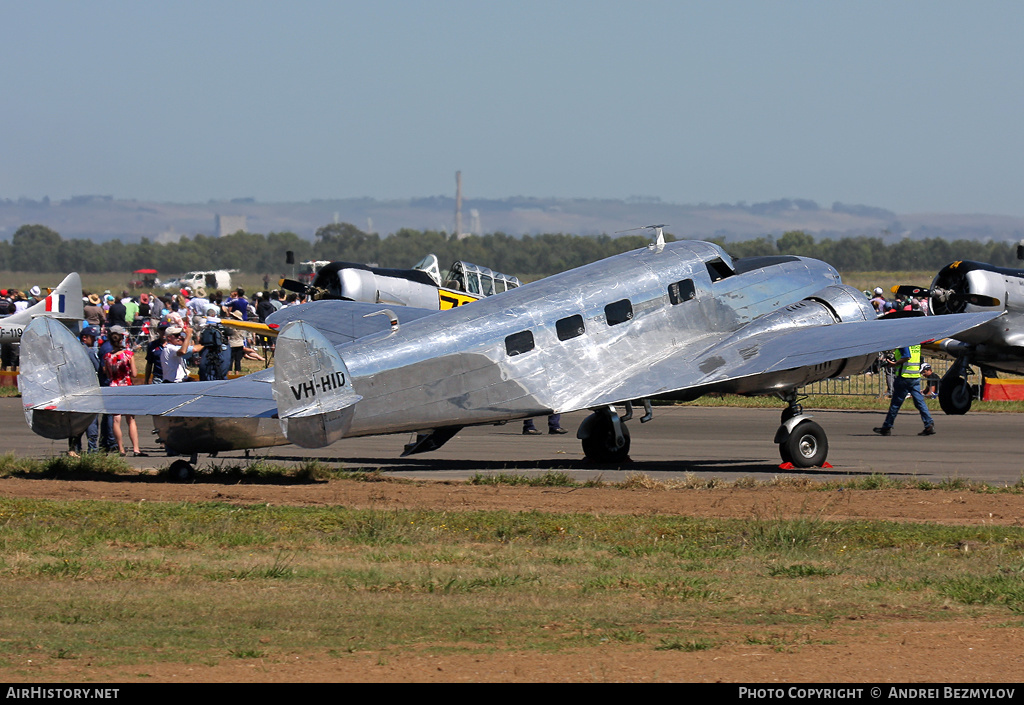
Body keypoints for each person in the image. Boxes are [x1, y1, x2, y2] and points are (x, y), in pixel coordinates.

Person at [874, 343, 935, 436]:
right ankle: (929, 424)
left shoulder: (904, 342)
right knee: (920, 402)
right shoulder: (916, 343)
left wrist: (895, 363)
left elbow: (907, 356)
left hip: (904, 377)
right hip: (915, 377)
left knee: (895, 404)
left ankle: (887, 427)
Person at [104, 326, 146, 457]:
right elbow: (134, 373)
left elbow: (107, 374)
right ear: (121, 340)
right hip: (126, 386)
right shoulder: (128, 355)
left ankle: (121, 449)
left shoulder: (108, 357)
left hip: (114, 387)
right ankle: (136, 448)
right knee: (131, 419)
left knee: (116, 420)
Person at [67, 327, 102, 456]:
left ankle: (74, 449)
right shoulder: (89, 352)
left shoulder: (71, 352)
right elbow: (98, 368)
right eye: (92, 337)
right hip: (89, 390)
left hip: (74, 391)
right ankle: (92, 450)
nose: (94, 340)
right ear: (84, 338)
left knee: (75, 422)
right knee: (91, 420)